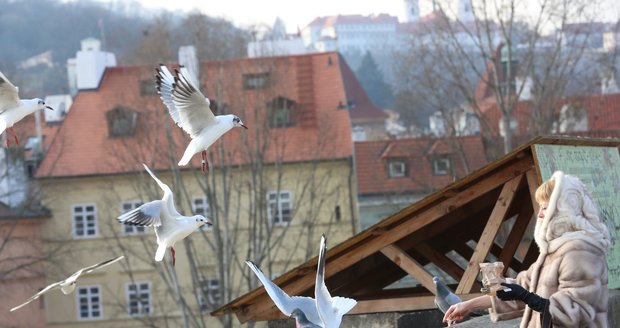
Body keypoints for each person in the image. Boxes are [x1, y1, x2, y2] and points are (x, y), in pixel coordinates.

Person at [443, 171, 611, 327]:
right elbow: (523, 287)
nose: (539, 215)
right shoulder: (556, 251)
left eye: (545, 208)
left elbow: (575, 315)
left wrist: (525, 296)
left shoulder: (579, 252)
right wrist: (468, 305)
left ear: (564, 211)